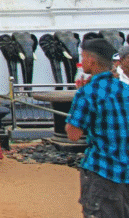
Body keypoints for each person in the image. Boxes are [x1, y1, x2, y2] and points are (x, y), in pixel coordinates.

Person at [66, 39, 129, 218]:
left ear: (91, 61)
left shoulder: (88, 92)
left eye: (83, 57)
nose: (82, 62)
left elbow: (73, 134)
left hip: (101, 170)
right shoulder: (125, 89)